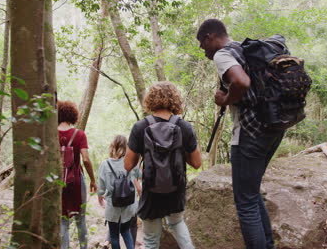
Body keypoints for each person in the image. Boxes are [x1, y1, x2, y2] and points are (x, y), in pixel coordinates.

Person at [197, 19, 287, 249]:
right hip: (273, 128)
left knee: (245, 203)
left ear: (209, 37)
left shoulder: (222, 55)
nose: (202, 50)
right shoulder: (245, 50)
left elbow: (241, 81)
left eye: (201, 44)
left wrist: (225, 99)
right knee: (251, 193)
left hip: (249, 133)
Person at [124, 81, 202, 249]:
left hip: (151, 189)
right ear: (175, 100)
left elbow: (128, 165)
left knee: (151, 240)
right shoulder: (184, 127)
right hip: (176, 187)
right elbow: (197, 163)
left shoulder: (140, 127)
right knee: (177, 223)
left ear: (150, 100)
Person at [58, 100, 97, 249]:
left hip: (58, 181)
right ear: (73, 115)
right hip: (76, 181)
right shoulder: (79, 135)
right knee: (80, 219)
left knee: (63, 221)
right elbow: (85, 159)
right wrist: (93, 179)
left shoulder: (51, 134)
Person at [97, 135, 141, 249]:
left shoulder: (105, 164)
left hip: (113, 204)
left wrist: (100, 196)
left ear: (112, 146)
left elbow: (101, 187)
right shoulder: (132, 162)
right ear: (127, 147)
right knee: (126, 231)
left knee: (114, 235)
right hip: (129, 204)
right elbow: (138, 176)